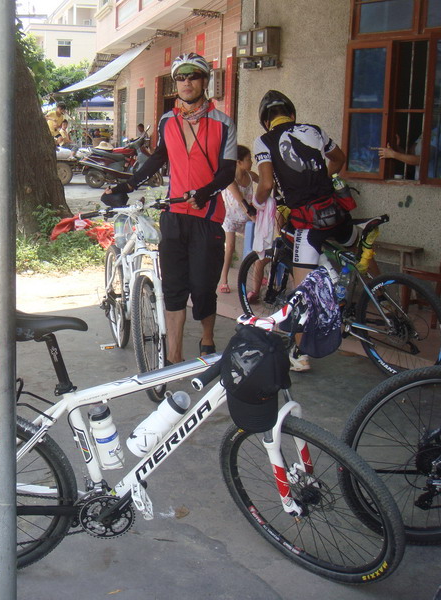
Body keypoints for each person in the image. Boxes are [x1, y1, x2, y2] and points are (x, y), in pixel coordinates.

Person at [104, 53, 237, 361]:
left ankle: (207, 337)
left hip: (207, 217)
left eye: (193, 76)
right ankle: (174, 355)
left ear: (205, 81)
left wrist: (204, 193)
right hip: (174, 215)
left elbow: (228, 171)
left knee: (203, 288)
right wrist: (128, 185)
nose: (186, 82)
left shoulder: (223, 123)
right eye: (180, 77)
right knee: (174, 287)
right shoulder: (167, 121)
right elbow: (158, 158)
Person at [253, 90, 356, 372]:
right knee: (356, 251)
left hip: (308, 222)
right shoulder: (315, 130)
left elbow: (265, 185)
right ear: (292, 114)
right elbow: (339, 158)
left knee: (302, 292)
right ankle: (376, 295)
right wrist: (323, 178)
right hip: (336, 213)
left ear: (266, 122)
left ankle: (300, 354)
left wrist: (256, 204)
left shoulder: (264, 141)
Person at [218, 145, 258, 294]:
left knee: (256, 247)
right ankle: (224, 280)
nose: (251, 162)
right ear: (239, 162)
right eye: (248, 159)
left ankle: (257, 274)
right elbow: (241, 201)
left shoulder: (250, 175)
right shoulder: (230, 179)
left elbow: (264, 182)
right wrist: (253, 215)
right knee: (230, 247)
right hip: (230, 218)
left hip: (246, 218)